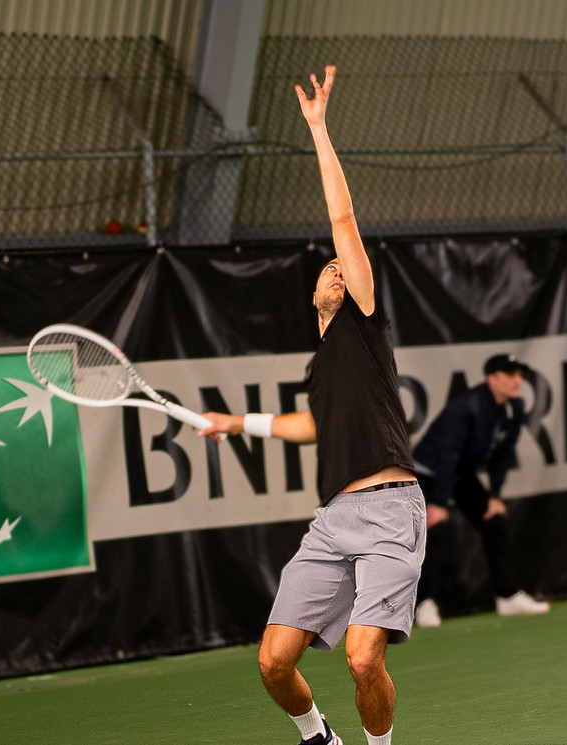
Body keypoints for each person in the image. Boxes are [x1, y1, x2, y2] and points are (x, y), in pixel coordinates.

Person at [198, 66, 425, 745]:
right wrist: (234, 422)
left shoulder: (364, 322)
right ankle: (317, 735)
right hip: (334, 519)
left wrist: (320, 131)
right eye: (326, 270)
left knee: (362, 655)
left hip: (389, 508)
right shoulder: (321, 364)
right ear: (312, 297)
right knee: (272, 661)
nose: (335, 268)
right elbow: (312, 426)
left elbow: (342, 218)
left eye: (341, 266)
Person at [412, 354, 550, 628]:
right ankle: (424, 604)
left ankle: (507, 595)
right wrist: (439, 503)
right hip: (429, 471)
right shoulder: (465, 407)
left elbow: (503, 453)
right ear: (492, 379)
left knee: (494, 521)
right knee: (434, 530)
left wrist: (494, 496)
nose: (517, 380)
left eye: (519, 375)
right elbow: (447, 455)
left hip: (461, 473)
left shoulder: (514, 408)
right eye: (510, 375)